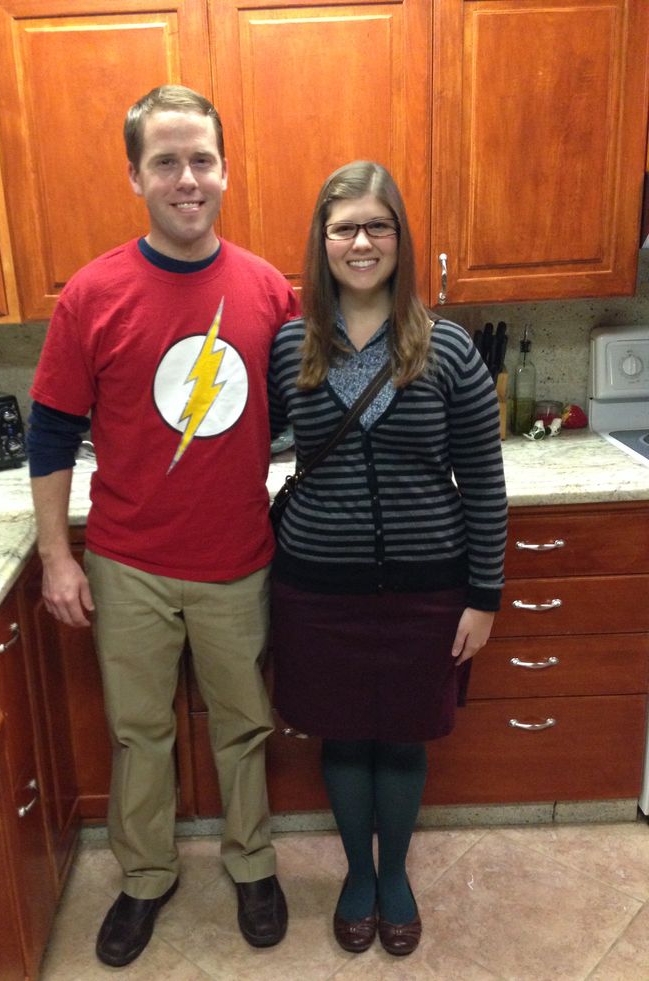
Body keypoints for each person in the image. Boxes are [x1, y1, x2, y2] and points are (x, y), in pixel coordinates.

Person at [27, 84, 299, 969]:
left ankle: (252, 862)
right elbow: (52, 427)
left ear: (226, 169)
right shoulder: (93, 294)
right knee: (138, 730)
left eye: (203, 160)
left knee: (242, 724)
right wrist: (58, 555)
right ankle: (145, 876)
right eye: (167, 162)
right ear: (137, 176)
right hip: (128, 561)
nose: (188, 179)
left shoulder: (268, 291)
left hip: (238, 557)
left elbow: (308, 410)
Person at [268, 161, 507, 957]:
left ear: (401, 240)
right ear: (322, 241)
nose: (361, 241)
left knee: (402, 736)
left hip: (425, 588)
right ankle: (355, 876)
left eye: (378, 225)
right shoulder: (291, 343)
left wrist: (484, 595)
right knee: (341, 735)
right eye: (345, 227)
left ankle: (394, 870)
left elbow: (482, 477)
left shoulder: (445, 348)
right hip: (317, 587)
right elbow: (237, 436)